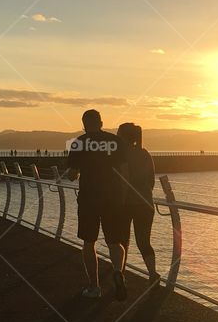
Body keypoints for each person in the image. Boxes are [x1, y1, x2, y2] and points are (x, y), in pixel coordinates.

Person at [66, 109, 128, 300]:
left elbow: (72, 175)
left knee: (89, 242)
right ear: (101, 123)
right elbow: (124, 171)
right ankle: (118, 271)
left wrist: (73, 172)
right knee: (115, 241)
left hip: (88, 199)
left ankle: (94, 286)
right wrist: (122, 195)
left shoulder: (79, 143)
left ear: (84, 124)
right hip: (112, 198)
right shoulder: (115, 142)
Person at [117, 123, 159, 286]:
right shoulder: (144, 154)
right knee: (144, 242)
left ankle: (121, 273)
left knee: (122, 240)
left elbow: (122, 181)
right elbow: (151, 181)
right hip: (145, 204)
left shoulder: (120, 154)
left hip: (126, 203)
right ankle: (153, 274)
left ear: (123, 136)